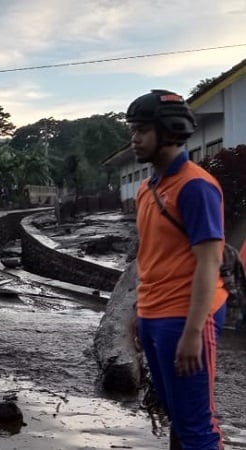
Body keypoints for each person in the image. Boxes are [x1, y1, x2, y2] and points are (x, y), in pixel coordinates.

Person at [129, 89, 227, 449]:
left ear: (168, 131)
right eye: (133, 130)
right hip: (154, 315)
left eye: (142, 130)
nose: (135, 138)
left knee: (196, 426)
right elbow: (150, 256)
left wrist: (193, 331)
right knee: (177, 415)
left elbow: (209, 261)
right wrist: (138, 311)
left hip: (186, 317)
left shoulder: (195, 187)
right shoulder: (146, 188)